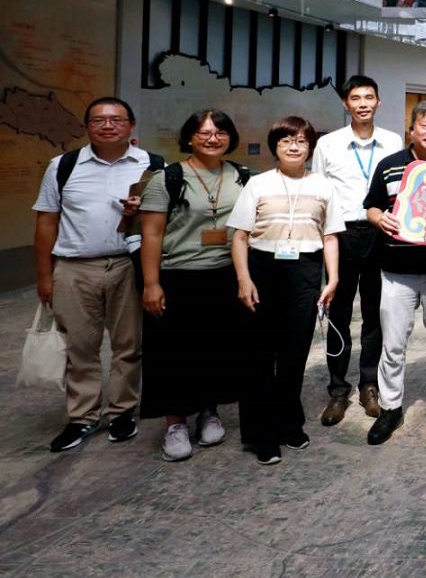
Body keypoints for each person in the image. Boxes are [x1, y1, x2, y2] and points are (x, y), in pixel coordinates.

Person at [33, 97, 160, 453]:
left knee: (129, 345)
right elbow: (46, 220)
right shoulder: (64, 165)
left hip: (127, 265)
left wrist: (142, 210)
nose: (108, 125)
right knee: (80, 347)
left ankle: (122, 411)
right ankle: (82, 417)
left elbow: (165, 221)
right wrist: (45, 277)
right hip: (74, 267)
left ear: (131, 126)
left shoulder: (152, 164)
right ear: (87, 126)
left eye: (116, 120)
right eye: (99, 120)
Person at [228, 116, 342, 466]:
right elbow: (240, 236)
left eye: (301, 141)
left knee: (294, 354)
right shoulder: (257, 184)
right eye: (286, 140)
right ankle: (262, 435)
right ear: (275, 146)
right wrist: (244, 279)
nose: (294, 146)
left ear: (310, 147)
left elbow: (330, 236)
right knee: (260, 356)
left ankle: (289, 424)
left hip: (305, 272)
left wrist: (332, 278)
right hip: (263, 268)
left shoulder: (324, 186)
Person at [139, 110, 250, 461]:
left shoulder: (242, 177)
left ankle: (208, 411)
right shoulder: (168, 178)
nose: (212, 138)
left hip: (224, 275)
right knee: (174, 352)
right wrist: (151, 283)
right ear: (189, 138)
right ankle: (175, 423)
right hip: (178, 275)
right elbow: (152, 233)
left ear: (230, 137)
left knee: (216, 348)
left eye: (220, 131)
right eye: (204, 132)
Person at [362, 100, 426, 445]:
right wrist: (381, 218)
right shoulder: (390, 166)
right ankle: (390, 408)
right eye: (424, 125)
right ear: (412, 129)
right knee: (393, 345)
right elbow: (372, 206)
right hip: (396, 271)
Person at [310, 75, 403, 426]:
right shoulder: (328, 145)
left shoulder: (392, 141)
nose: (363, 103)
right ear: (345, 104)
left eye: (369, 97)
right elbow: (318, 192)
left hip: (381, 234)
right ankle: (337, 390)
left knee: (376, 314)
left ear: (378, 102)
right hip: (340, 234)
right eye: (355, 98)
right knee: (338, 314)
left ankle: (369, 385)